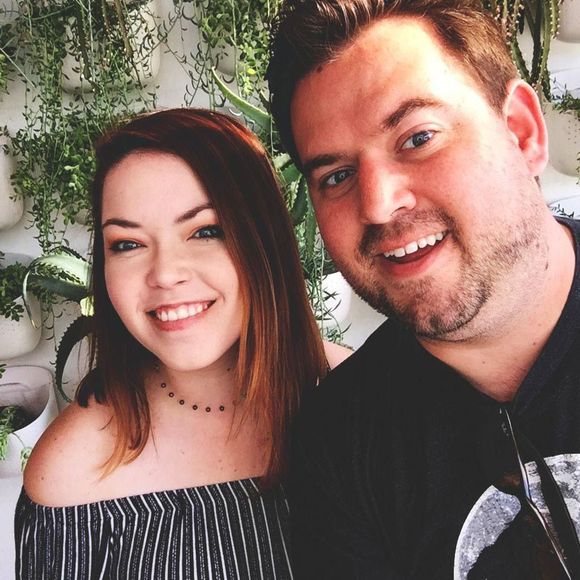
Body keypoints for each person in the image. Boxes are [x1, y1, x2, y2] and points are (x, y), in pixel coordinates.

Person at [267, 0, 580, 578]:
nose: (378, 203)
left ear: (521, 132)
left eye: (418, 138)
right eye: (337, 175)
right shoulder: (341, 443)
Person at [14, 108, 351, 579]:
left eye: (205, 231)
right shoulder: (71, 472)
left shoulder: (366, 404)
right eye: (127, 243)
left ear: (266, 241)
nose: (165, 274)